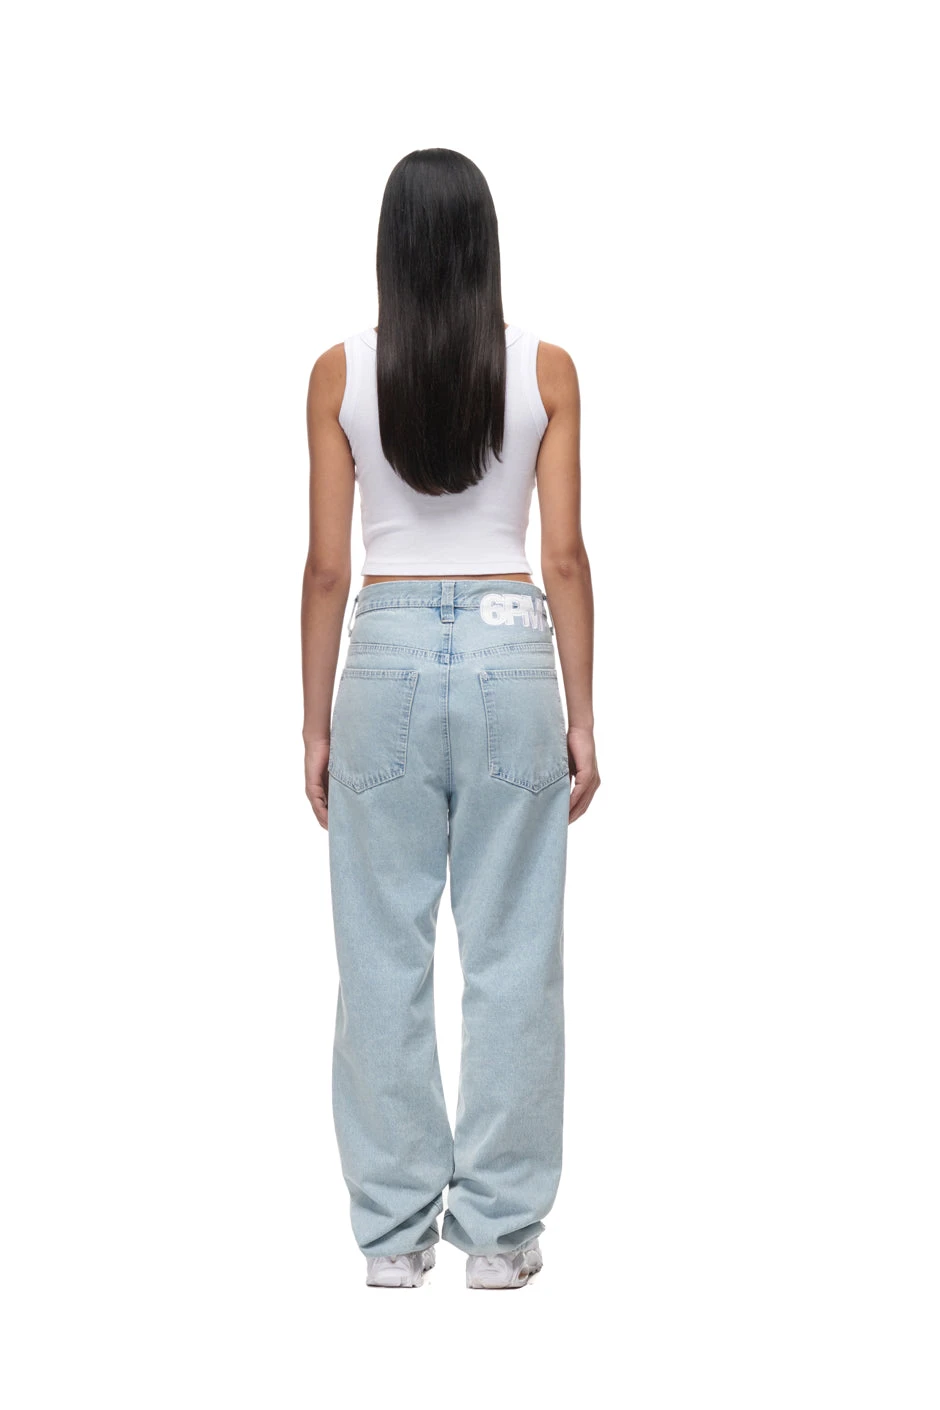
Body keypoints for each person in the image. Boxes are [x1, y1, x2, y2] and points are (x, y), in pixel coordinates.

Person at [301, 148, 599, 1290]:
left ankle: (392, 1239)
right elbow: (562, 556)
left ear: (390, 246)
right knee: (513, 954)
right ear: (486, 243)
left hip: (378, 656)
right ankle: (502, 1237)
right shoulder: (548, 370)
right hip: (514, 651)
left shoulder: (338, 374)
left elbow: (328, 568)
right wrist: (582, 714)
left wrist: (314, 727)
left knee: (380, 955)